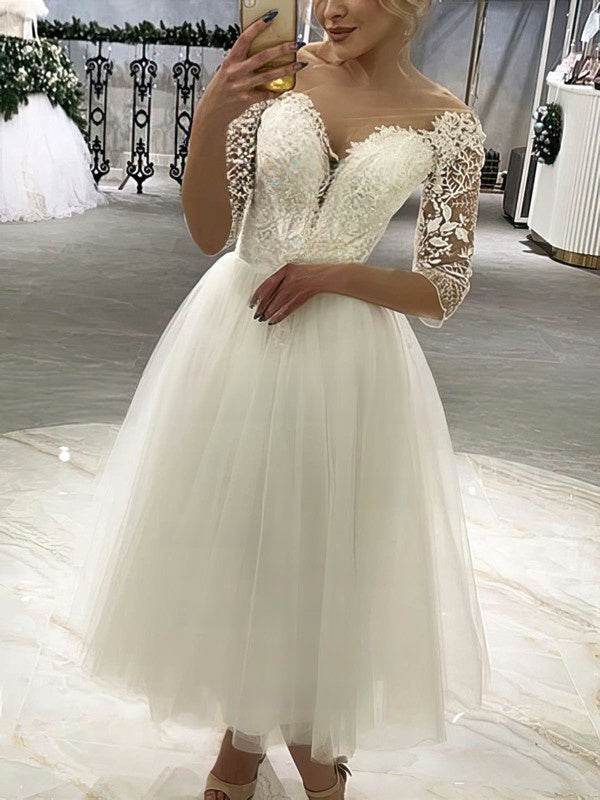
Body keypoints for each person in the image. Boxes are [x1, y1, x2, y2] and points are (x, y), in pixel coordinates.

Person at [65, 2, 491, 799]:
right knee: (235, 542)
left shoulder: (449, 122)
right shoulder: (279, 75)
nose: (331, 9)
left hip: (348, 360)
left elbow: (443, 288)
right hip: (236, 334)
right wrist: (214, 112)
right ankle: (254, 744)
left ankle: (280, 746)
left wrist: (335, 274)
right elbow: (208, 231)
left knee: (317, 558)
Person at [0, 0, 108, 222]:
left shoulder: (25, 4)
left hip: (18, 65)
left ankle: (31, 195)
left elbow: (28, 34)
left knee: (30, 139)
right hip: (13, 63)